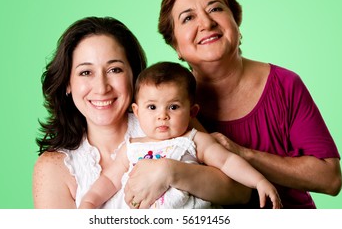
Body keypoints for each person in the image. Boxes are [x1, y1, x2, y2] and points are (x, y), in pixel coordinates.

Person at [140, 0, 341, 208]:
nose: (206, 23)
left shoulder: (286, 85)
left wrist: (243, 153)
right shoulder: (161, 106)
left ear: (236, 21)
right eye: (188, 18)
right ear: (176, 46)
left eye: (215, 8)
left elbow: (330, 179)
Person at [32, 16, 251, 209]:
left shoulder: (167, 119)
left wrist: (170, 172)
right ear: (67, 83)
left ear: (134, 77)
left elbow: (242, 192)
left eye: (114, 69)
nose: (101, 87)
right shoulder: (53, 168)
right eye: (85, 72)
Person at [79, 61, 282, 209]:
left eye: (173, 107)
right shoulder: (131, 147)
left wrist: (258, 181)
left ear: (192, 112)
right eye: (152, 107)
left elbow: (228, 162)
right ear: (137, 111)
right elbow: (109, 181)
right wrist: (88, 203)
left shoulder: (195, 140)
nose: (162, 116)